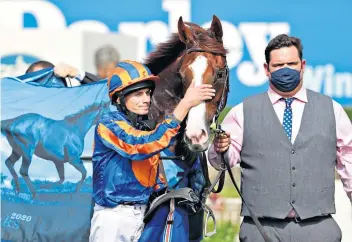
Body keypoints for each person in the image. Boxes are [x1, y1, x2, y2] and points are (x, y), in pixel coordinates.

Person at [208, 34, 352, 242]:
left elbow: (349, 160)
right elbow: (223, 161)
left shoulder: (332, 110)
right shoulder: (242, 112)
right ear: (267, 69)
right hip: (261, 228)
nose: (286, 69)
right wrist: (220, 149)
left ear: (302, 65)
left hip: (319, 227)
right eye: (278, 65)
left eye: (291, 63)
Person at [89, 60, 215, 242]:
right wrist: (184, 105)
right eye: (138, 94)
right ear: (119, 98)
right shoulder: (108, 124)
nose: (146, 99)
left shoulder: (146, 128)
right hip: (112, 219)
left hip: (143, 216)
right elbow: (140, 146)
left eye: (148, 93)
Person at [25, 60, 99, 86]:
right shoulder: (21, 109)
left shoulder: (70, 104)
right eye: (36, 80)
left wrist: (74, 72)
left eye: (47, 80)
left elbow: (106, 92)